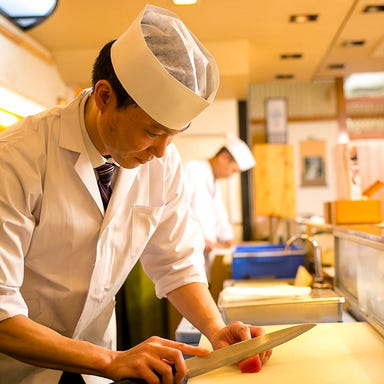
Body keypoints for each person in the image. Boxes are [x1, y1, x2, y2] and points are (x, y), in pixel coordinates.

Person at [0, 4, 270, 384]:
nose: (162, 152)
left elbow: (176, 261)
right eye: (152, 132)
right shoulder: (16, 158)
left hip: (95, 363)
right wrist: (110, 361)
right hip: (18, 370)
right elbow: (0, 312)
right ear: (105, 97)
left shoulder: (162, 161)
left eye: (172, 136)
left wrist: (214, 327)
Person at [184, 135, 256, 275]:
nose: (231, 176)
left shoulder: (212, 180)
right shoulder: (193, 170)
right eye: (233, 170)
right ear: (223, 158)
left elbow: (219, 214)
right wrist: (197, 238)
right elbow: (179, 209)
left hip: (204, 250)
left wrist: (230, 240)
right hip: (190, 248)